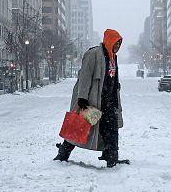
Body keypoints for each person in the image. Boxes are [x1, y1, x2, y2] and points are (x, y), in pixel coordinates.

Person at [54, 28, 128, 167]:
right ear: (109, 41)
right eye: (116, 43)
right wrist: (82, 97)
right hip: (93, 100)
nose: (117, 47)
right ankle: (63, 153)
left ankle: (112, 158)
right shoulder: (93, 54)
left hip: (109, 101)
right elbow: (85, 76)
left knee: (111, 129)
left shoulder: (113, 57)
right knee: (80, 126)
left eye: (119, 44)